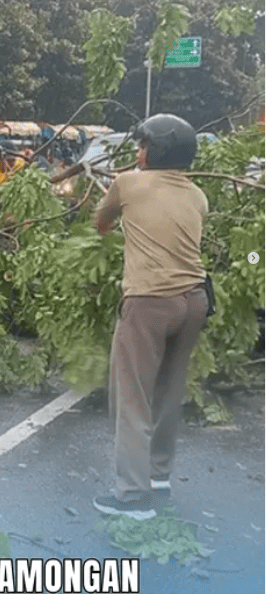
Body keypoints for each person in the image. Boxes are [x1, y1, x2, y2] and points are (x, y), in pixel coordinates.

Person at [92, 114, 209, 521]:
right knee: (168, 390)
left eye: (143, 145)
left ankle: (132, 496)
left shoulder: (127, 183)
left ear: (155, 151)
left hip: (148, 304)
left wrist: (113, 216)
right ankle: (159, 475)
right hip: (194, 302)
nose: (138, 152)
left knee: (132, 398)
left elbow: (100, 222)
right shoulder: (198, 195)